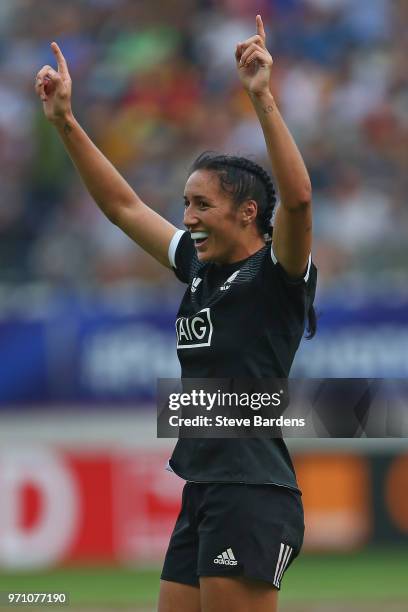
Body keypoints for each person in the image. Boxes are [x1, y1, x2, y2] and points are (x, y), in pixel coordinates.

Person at [35, 14, 316, 612]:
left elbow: (296, 198)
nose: (187, 216)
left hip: (252, 490)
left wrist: (261, 96)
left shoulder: (276, 276)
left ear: (246, 213)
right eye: (185, 202)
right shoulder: (199, 267)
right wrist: (65, 122)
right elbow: (121, 206)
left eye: (202, 204)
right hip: (206, 487)